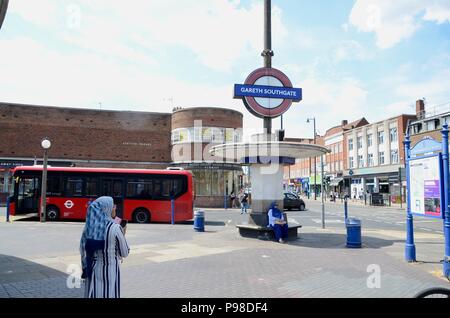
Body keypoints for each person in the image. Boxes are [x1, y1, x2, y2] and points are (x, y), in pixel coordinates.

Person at [80, 196, 130, 298]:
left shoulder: (89, 227)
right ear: (107, 208)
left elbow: (83, 250)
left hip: (92, 270)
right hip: (110, 271)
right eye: (113, 206)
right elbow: (125, 252)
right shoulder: (115, 228)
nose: (115, 208)